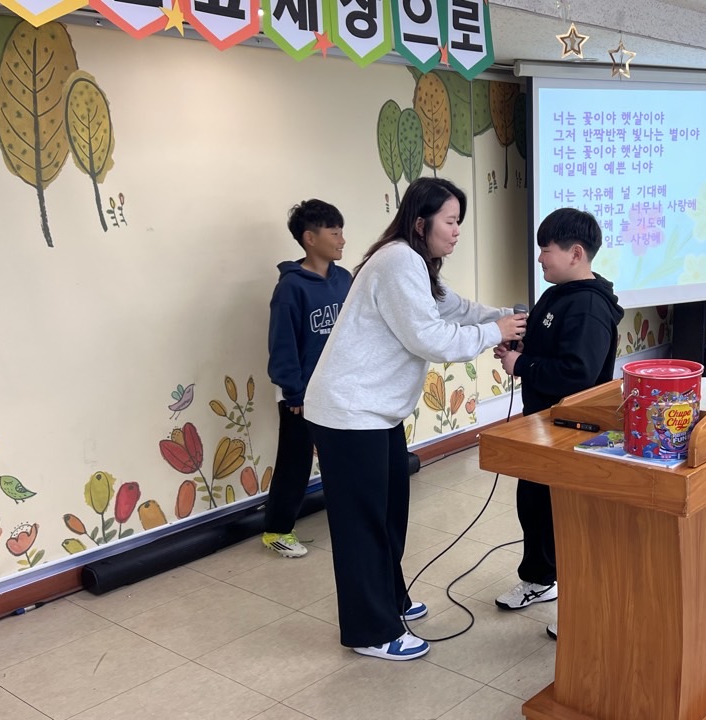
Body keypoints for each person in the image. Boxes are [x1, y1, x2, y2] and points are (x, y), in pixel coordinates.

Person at [305, 177, 527, 661]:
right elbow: (432, 338)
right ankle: (370, 630)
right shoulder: (399, 260)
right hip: (349, 411)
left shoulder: (416, 264)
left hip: (375, 412)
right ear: (421, 222)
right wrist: (496, 332)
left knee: (390, 513)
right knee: (364, 524)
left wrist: (509, 318)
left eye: (459, 222)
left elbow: (458, 310)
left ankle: (391, 599)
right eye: (450, 221)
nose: (457, 231)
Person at [493, 208, 625, 641]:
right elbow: (546, 348)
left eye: (545, 250)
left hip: (574, 431)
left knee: (568, 518)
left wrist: (522, 364)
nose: (540, 259)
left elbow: (577, 375)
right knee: (533, 503)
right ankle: (539, 579)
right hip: (542, 424)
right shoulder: (556, 294)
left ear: (576, 253)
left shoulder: (589, 307)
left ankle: (583, 605)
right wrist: (518, 349)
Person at [263, 200, 352, 558]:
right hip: (300, 394)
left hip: (338, 388)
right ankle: (277, 531)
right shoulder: (290, 288)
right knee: (295, 461)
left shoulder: (345, 280)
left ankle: (351, 517)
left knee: (345, 455)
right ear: (310, 238)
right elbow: (282, 345)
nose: (342, 240)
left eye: (342, 232)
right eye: (335, 233)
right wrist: (294, 393)